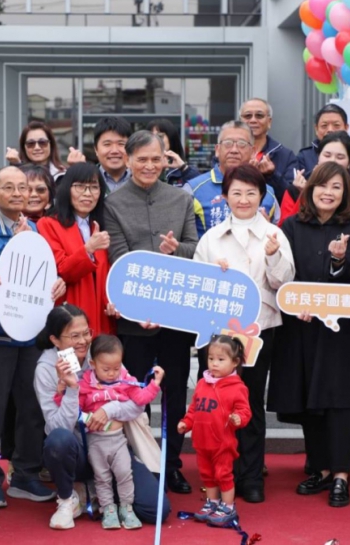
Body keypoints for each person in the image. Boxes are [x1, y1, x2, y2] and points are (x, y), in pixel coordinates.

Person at [267, 162, 350, 508]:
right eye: (321, 186)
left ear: (346, 193)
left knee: (338, 401)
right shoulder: (289, 226)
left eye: (336, 187)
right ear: (309, 190)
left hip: (340, 332)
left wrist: (338, 262)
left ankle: (341, 474)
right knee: (308, 401)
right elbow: (285, 276)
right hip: (300, 327)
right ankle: (320, 468)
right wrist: (295, 299)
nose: (328, 193)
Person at [193, 164, 295, 503]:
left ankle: (251, 476)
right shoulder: (210, 238)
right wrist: (215, 276)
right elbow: (197, 286)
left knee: (248, 404)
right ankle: (220, 475)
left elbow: (284, 284)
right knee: (214, 406)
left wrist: (272, 256)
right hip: (217, 335)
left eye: (251, 192)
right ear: (224, 197)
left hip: (259, 331)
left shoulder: (274, 235)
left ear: (262, 197)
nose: (243, 199)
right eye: (236, 192)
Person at [104, 130, 198, 494]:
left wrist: (177, 250)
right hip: (134, 319)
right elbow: (119, 258)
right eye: (140, 159)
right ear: (128, 161)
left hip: (175, 318)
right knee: (134, 394)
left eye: (155, 158)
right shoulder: (113, 203)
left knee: (175, 392)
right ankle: (141, 464)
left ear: (165, 159)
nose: (148, 165)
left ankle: (172, 464)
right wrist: (139, 306)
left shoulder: (181, 198)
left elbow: (195, 247)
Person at [0, 166, 65, 510]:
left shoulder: (38, 229)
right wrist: (14, 248)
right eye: (8, 187)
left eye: (22, 188)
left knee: (32, 407)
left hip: (32, 334)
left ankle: (25, 473)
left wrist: (58, 285)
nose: (17, 193)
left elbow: (47, 275)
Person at [34, 305, 170, 529]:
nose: (83, 341)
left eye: (86, 333)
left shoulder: (101, 352)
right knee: (58, 440)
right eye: (74, 335)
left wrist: (109, 410)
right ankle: (68, 499)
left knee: (157, 510)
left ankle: (100, 491)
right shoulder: (46, 369)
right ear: (55, 340)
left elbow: (135, 405)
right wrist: (71, 389)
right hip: (77, 450)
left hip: (114, 445)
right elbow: (57, 426)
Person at [77, 335, 165, 530]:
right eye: (106, 369)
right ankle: (108, 509)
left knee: (125, 473)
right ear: (93, 364)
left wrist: (155, 384)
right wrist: (84, 417)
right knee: (102, 477)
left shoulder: (125, 381)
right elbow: (76, 410)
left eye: (116, 368)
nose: (112, 374)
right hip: (96, 441)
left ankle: (127, 507)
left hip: (118, 440)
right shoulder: (85, 384)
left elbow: (141, 400)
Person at [178, 335, 251, 525]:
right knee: (207, 474)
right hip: (202, 441)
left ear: (235, 362)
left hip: (222, 443)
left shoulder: (237, 388)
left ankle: (228, 506)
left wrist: (238, 418)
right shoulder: (202, 383)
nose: (214, 364)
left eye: (220, 359)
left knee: (223, 474)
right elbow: (195, 408)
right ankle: (212, 502)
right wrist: (186, 422)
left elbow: (245, 411)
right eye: (211, 358)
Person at [38, 162, 115, 335]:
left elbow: (110, 273)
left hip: (103, 317)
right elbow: (62, 270)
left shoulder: (105, 224)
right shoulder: (49, 224)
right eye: (80, 186)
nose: (87, 194)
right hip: (70, 315)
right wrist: (88, 249)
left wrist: (112, 301)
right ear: (67, 189)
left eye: (94, 187)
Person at [187, 120, 280, 238]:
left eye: (242, 144)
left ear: (253, 152)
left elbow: (276, 239)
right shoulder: (193, 189)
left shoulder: (268, 193)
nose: (234, 150)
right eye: (228, 143)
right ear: (217, 149)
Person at [279, 130, 350, 226]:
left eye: (340, 157)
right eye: (327, 155)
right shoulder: (296, 187)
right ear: (318, 157)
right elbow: (284, 229)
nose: (332, 161)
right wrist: (304, 194)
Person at [239, 98, 298, 194]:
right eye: (248, 116)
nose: (253, 120)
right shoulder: (229, 152)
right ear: (240, 121)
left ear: (269, 122)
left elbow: (291, 196)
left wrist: (272, 175)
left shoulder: (286, 155)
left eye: (259, 115)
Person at [298, 104, 350, 179]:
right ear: (316, 129)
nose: (330, 130)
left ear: (346, 128)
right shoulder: (304, 156)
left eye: (336, 125)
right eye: (324, 126)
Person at [146, 118, 200, 188]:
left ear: (171, 138)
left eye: (160, 136)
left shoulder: (183, 169)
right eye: (150, 137)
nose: (155, 140)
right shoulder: (142, 167)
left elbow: (200, 188)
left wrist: (183, 167)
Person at [93, 117, 133, 193]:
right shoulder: (86, 180)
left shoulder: (142, 179)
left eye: (121, 144)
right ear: (96, 149)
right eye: (107, 144)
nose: (114, 151)